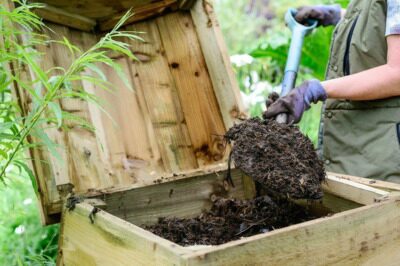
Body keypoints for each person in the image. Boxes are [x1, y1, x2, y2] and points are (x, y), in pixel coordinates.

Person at [263, 1, 400, 184]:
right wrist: (339, 15)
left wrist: (317, 89)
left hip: (381, 156)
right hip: (355, 147)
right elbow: (379, 21)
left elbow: (397, 74)